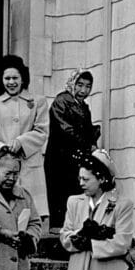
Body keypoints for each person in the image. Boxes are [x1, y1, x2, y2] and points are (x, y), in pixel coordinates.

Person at [0, 54, 50, 222]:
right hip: (5, 166)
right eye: (7, 78)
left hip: (30, 164)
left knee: (32, 214)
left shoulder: (38, 101)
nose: (11, 82)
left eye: (15, 78)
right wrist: (2, 150)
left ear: (22, 79)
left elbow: (42, 131)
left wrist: (21, 142)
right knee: (7, 213)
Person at [44, 69, 100, 229]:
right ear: (72, 84)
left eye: (88, 86)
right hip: (60, 159)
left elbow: (87, 129)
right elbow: (66, 130)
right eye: (80, 85)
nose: (83, 90)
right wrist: (87, 143)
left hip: (76, 158)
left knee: (76, 194)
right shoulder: (61, 101)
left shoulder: (83, 106)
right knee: (60, 196)